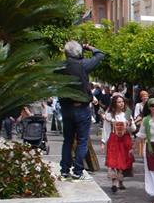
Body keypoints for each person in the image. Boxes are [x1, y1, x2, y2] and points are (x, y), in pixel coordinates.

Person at [58, 40, 106, 181]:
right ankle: (78, 171)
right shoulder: (83, 64)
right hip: (82, 108)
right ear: (78, 52)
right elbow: (100, 55)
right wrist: (88, 47)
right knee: (82, 141)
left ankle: (64, 170)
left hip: (66, 108)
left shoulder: (60, 67)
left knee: (67, 140)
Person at [102, 94, 135, 193]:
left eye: (122, 102)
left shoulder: (127, 114)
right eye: (119, 102)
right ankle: (114, 183)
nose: (121, 103)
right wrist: (103, 142)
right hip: (114, 139)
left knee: (123, 160)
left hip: (125, 139)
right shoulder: (110, 115)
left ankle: (120, 181)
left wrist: (129, 125)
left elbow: (133, 129)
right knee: (113, 161)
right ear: (114, 103)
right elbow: (106, 129)